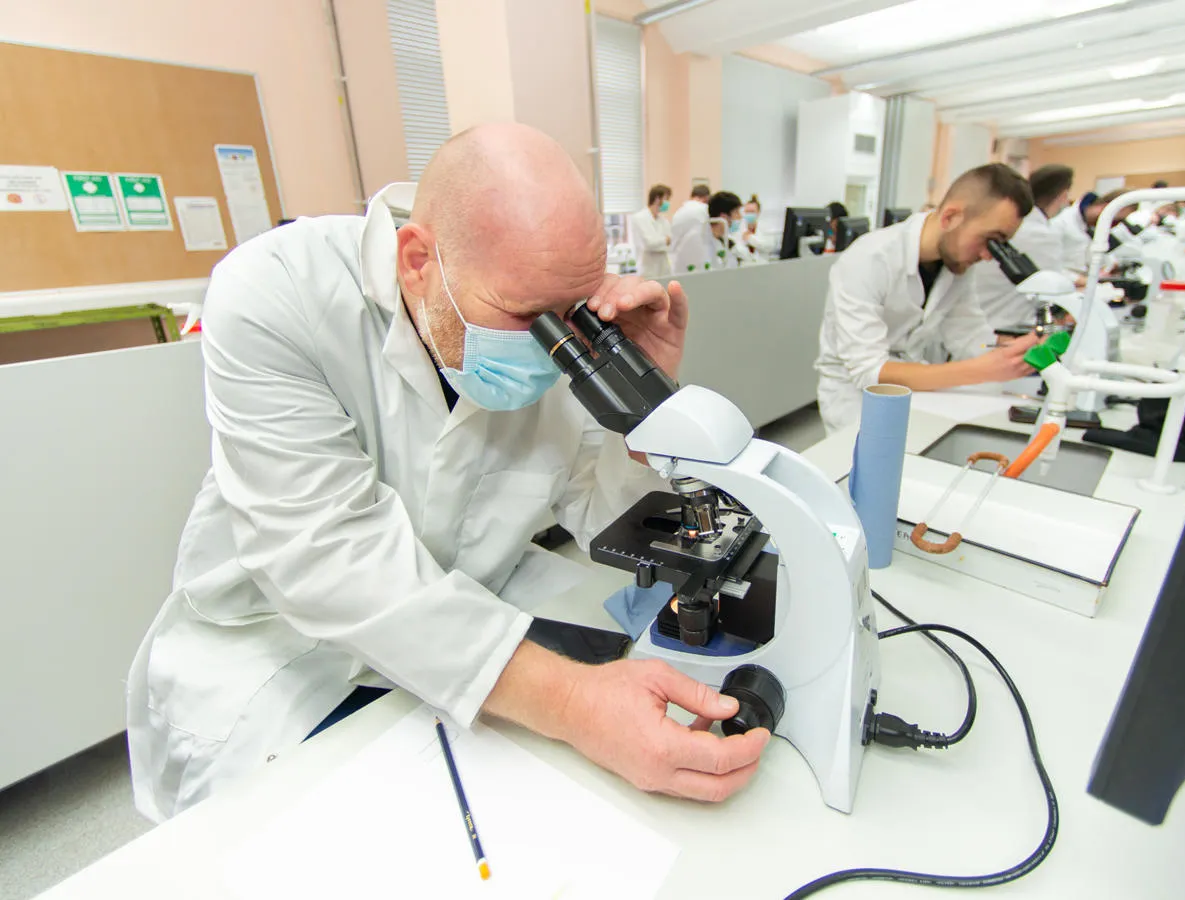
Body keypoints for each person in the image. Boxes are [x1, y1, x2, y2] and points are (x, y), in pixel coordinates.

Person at [126, 123, 770, 822]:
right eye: (528, 317)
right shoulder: (279, 291)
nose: (558, 347)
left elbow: (607, 512)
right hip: (279, 648)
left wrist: (642, 414)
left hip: (472, 612)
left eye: (572, 316)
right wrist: (573, 703)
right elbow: (328, 559)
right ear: (416, 261)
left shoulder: (527, 293)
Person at [815, 163, 1041, 433]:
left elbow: (970, 338)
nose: (988, 256)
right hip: (855, 404)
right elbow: (870, 372)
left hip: (915, 395)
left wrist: (1011, 350)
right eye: (990, 240)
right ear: (950, 217)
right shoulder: (869, 259)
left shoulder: (956, 266)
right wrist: (984, 369)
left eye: (1000, 246)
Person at [970, 164, 1075, 331]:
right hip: (1004, 323)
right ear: (1063, 195)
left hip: (985, 323)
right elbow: (1051, 292)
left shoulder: (1024, 225)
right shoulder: (1041, 234)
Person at [1052, 188, 1133, 276]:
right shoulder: (1061, 223)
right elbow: (1049, 265)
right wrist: (1081, 280)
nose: (1113, 225)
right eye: (1115, 220)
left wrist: (1109, 267)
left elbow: (1102, 259)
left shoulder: (1090, 227)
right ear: (1105, 207)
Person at [673, 190, 743, 272]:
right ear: (723, 217)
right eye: (737, 212)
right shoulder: (696, 239)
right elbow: (703, 274)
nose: (740, 217)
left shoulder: (720, 240)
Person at [631, 184, 673, 278]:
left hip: (664, 269)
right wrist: (664, 241)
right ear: (657, 198)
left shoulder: (663, 220)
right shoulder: (639, 218)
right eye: (666, 199)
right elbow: (649, 244)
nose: (668, 203)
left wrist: (661, 242)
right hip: (648, 270)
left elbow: (670, 243)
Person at [670, 184, 711, 252]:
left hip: (678, 254)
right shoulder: (704, 209)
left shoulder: (679, 211)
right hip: (697, 252)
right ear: (706, 198)